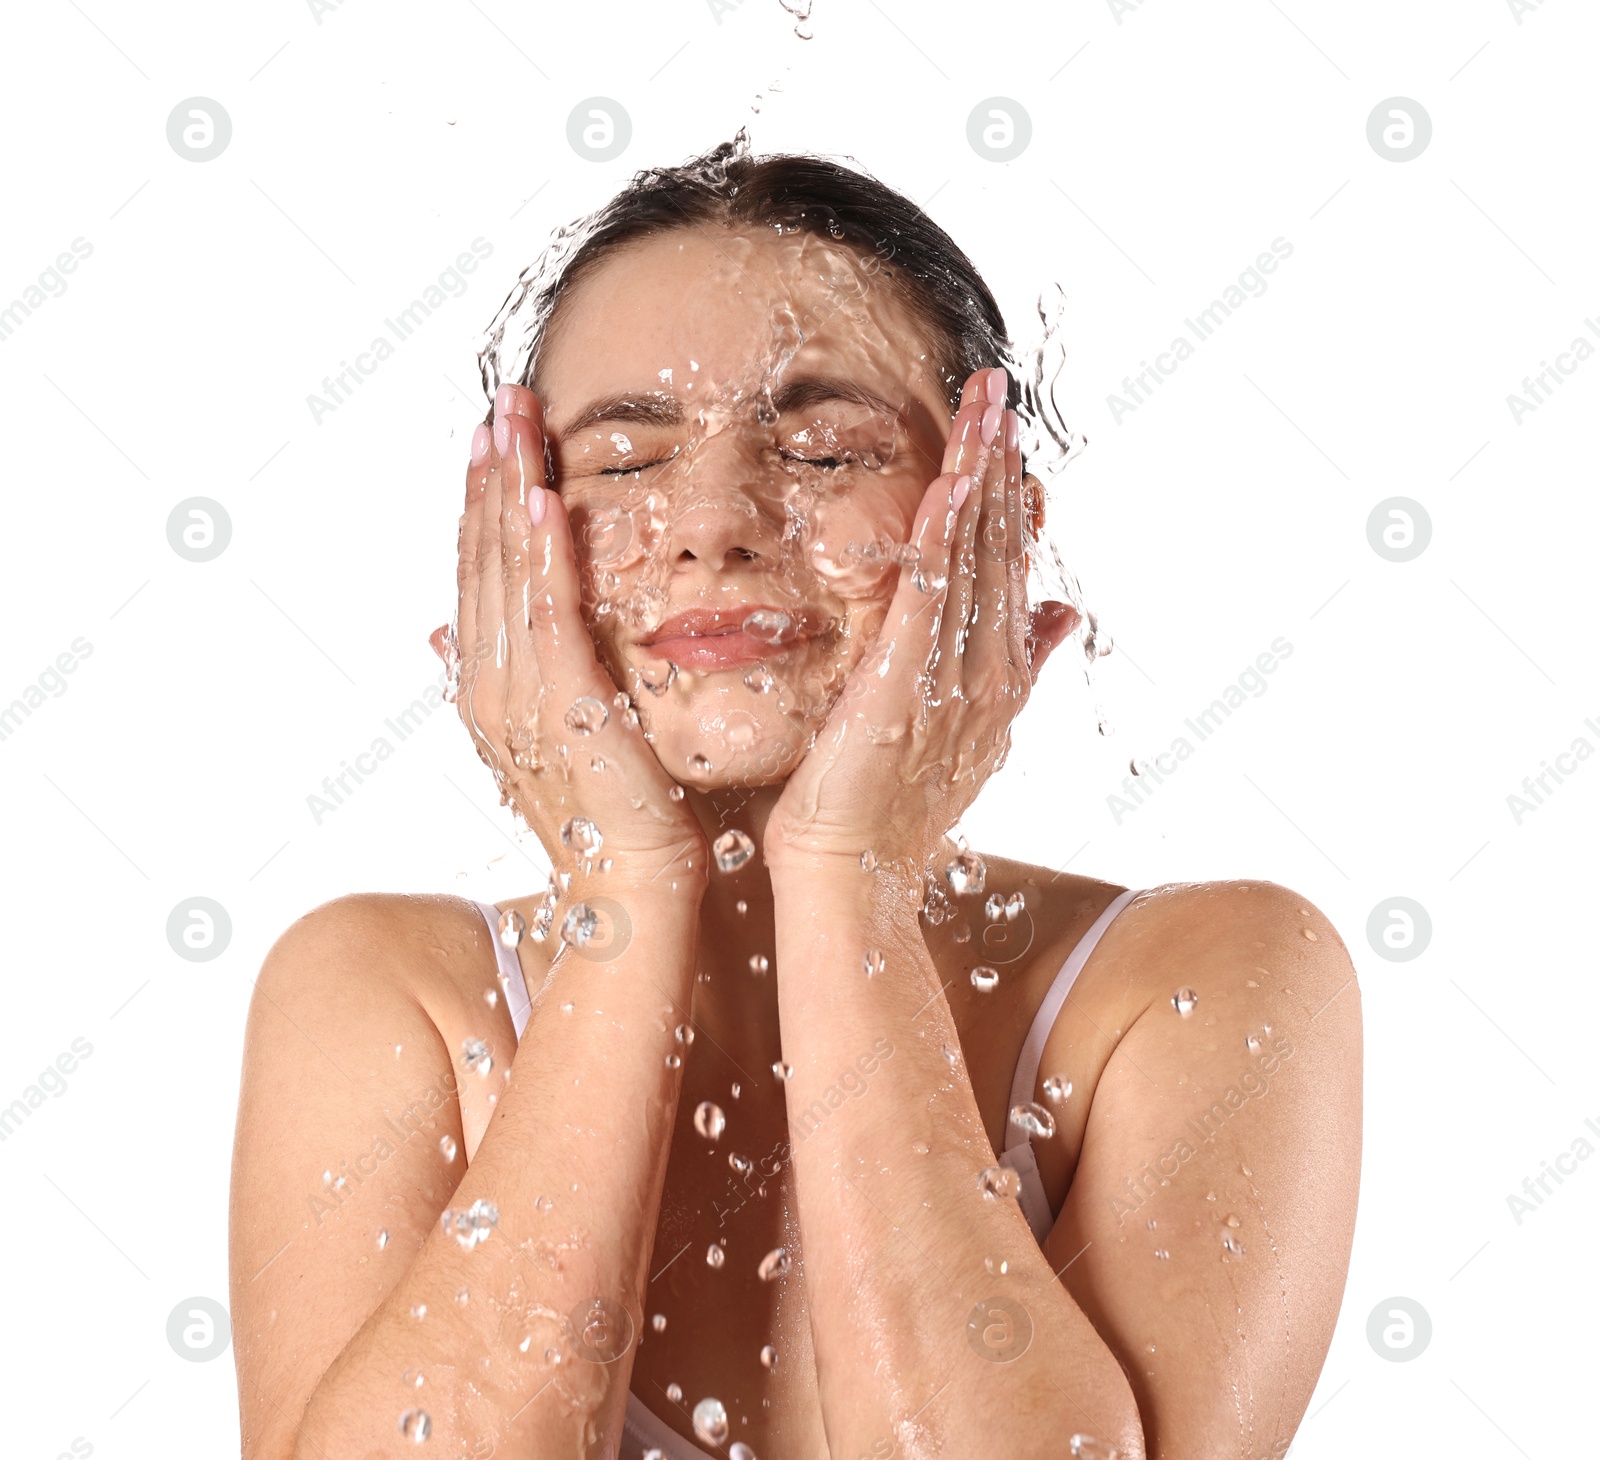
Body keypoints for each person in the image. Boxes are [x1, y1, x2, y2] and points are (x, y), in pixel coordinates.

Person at [229, 142, 1361, 1460]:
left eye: (825, 452)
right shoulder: (384, 993)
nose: (713, 521)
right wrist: (625, 893)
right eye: (627, 459)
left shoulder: (1208, 981)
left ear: (994, 524)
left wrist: (845, 875)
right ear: (511, 535)